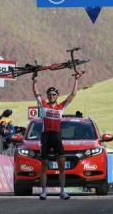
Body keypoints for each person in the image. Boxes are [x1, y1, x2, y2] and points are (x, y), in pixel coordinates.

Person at [32, 70, 83, 200]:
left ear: (57, 96)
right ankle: (43, 192)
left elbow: (73, 94)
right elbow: (36, 93)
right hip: (46, 136)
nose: (52, 96)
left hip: (57, 137)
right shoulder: (43, 105)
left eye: (54, 94)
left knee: (61, 164)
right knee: (44, 164)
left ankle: (62, 192)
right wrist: (34, 81)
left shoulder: (61, 107)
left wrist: (76, 80)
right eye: (50, 94)